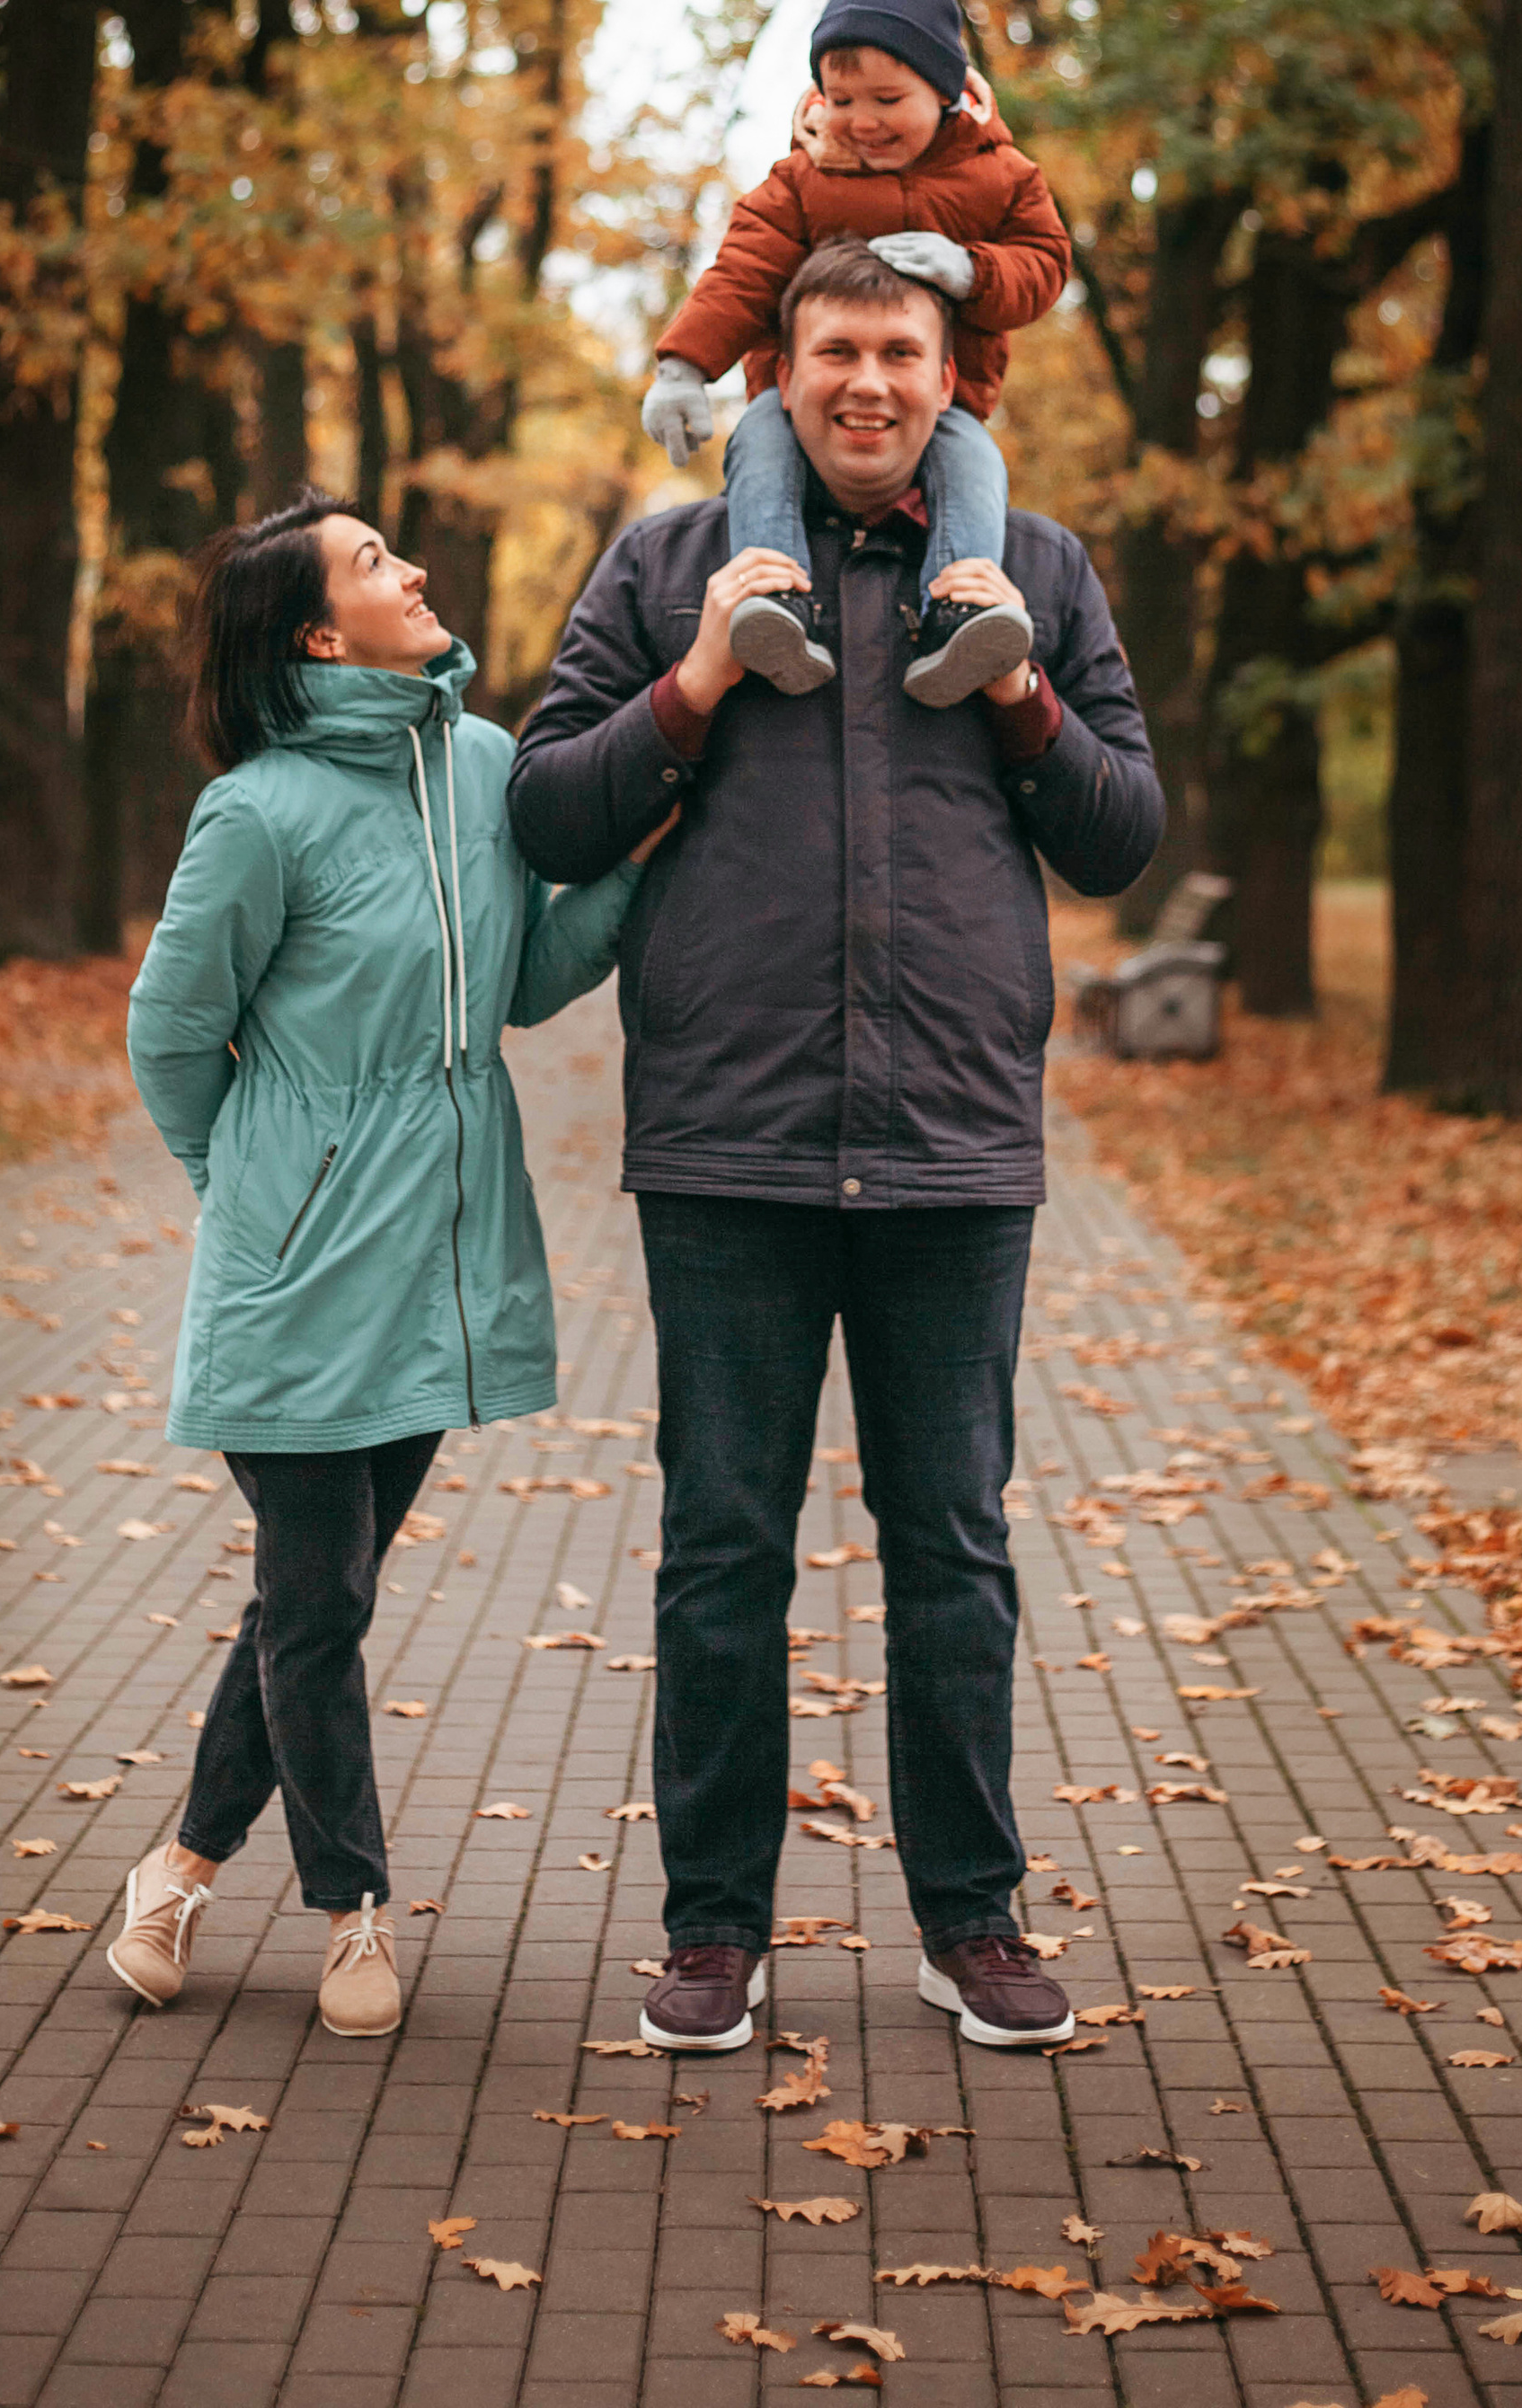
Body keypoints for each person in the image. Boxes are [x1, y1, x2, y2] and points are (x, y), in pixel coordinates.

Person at [508, 242, 1163, 2053]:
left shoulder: (1035, 572)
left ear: (951, 380)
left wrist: (1020, 693)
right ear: (776, 376)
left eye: (900, 351)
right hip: (731, 1143)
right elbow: (548, 813)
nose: (867, 381)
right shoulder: (665, 566)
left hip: (954, 1141)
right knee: (721, 1548)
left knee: (952, 1548)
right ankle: (713, 1929)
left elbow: (1119, 836)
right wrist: (699, 677)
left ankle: (972, 1920)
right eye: (833, 352)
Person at [109, 492, 654, 2037]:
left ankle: (180, 1865)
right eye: (371, 563)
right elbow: (170, 1034)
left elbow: (526, 982)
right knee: (319, 1601)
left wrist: (641, 860)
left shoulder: (481, 766)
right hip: (297, 1278)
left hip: (439, 1263)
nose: (411, 570)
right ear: (317, 635)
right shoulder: (257, 811)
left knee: (315, 1604)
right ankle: (351, 1908)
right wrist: (254, 1195)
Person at [642, 0, 1070, 709]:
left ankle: (960, 613)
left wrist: (971, 269)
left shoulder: (1001, 177)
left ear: (946, 90)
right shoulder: (804, 181)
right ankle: (772, 600)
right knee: (760, 442)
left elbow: (1045, 262)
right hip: (800, 399)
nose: (862, 120)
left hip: (942, 401)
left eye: (887, 99)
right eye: (841, 100)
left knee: (974, 464)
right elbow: (742, 273)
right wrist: (684, 367)